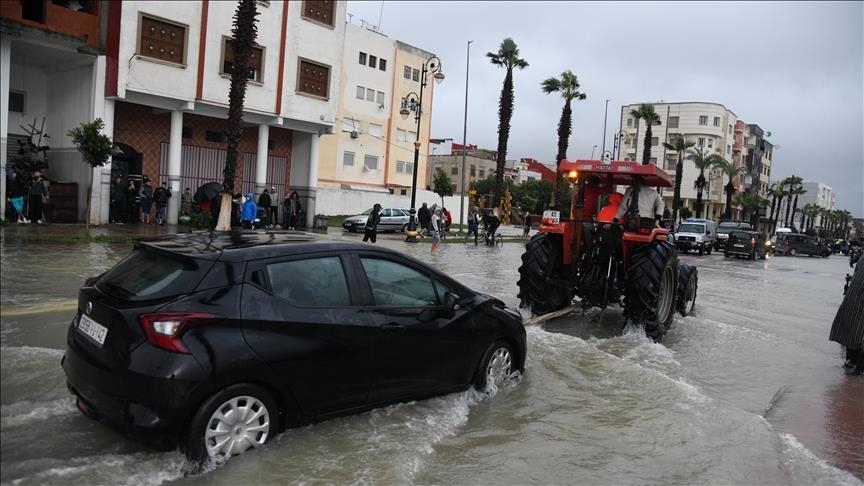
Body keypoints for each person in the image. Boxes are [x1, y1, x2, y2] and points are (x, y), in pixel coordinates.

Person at [829, 255, 863, 375]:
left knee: (853, 331)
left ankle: (851, 363)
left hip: (853, 299)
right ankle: (858, 368)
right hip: (858, 299)